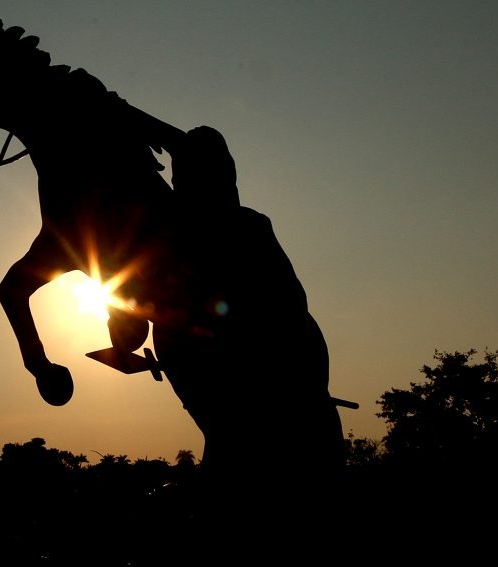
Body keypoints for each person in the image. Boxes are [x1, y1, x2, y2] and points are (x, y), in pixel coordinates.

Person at [152, 125, 347, 560]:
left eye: (187, 174)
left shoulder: (236, 230)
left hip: (268, 395)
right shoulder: (203, 233)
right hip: (264, 396)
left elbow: (290, 301)